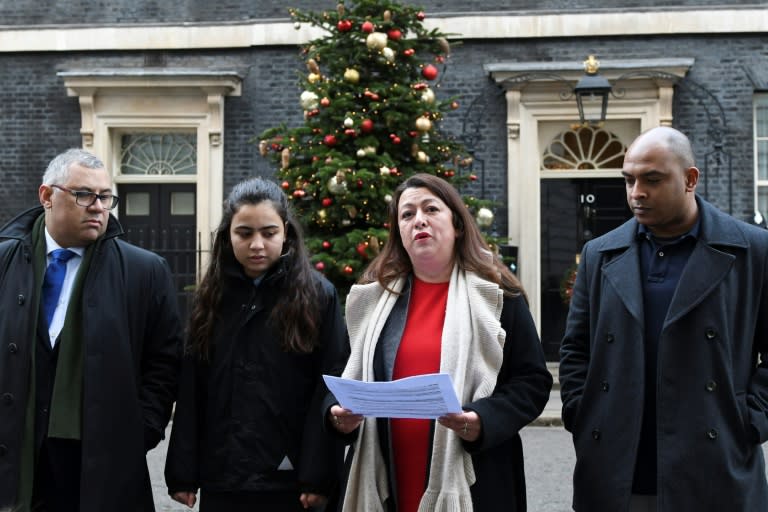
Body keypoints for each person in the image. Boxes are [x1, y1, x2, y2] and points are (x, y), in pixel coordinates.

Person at [559, 126, 768, 511]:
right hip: (617, 467)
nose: (636, 192)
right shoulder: (599, 253)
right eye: (629, 179)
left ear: (690, 179)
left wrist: (751, 420)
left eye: (652, 180)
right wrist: (582, 412)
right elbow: (575, 348)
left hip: (715, 462)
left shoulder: (753, 250)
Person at [328, 173, 552, 511]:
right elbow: (338, 375)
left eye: (431, 209)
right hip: (385, 475)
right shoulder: (370, 302)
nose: (419, 220)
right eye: (407, 214)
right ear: (398, 232)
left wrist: (482, 421)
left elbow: (533, 381)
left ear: (457, 224)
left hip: (476, 478)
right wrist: (335, 415)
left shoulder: (497, 296)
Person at [0, 148, 182, 512]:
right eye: (84, 195)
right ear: (47, 196)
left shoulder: (145, 271)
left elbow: (164, 363)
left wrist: (139, 430)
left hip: (97, 459)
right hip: (15, 450)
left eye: (105, 197)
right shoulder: (4, 261)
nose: (99, 206)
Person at [164, 177, 348, 511]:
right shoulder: (211, 298)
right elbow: (192, 387)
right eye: (244, 233)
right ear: (228, 235)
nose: (257, 244)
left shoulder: (319, 296)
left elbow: (330, 384)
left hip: (289, 480)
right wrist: (183, 473)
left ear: (286, 233)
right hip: (224, 477)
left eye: (269, 232)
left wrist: (318, 476)